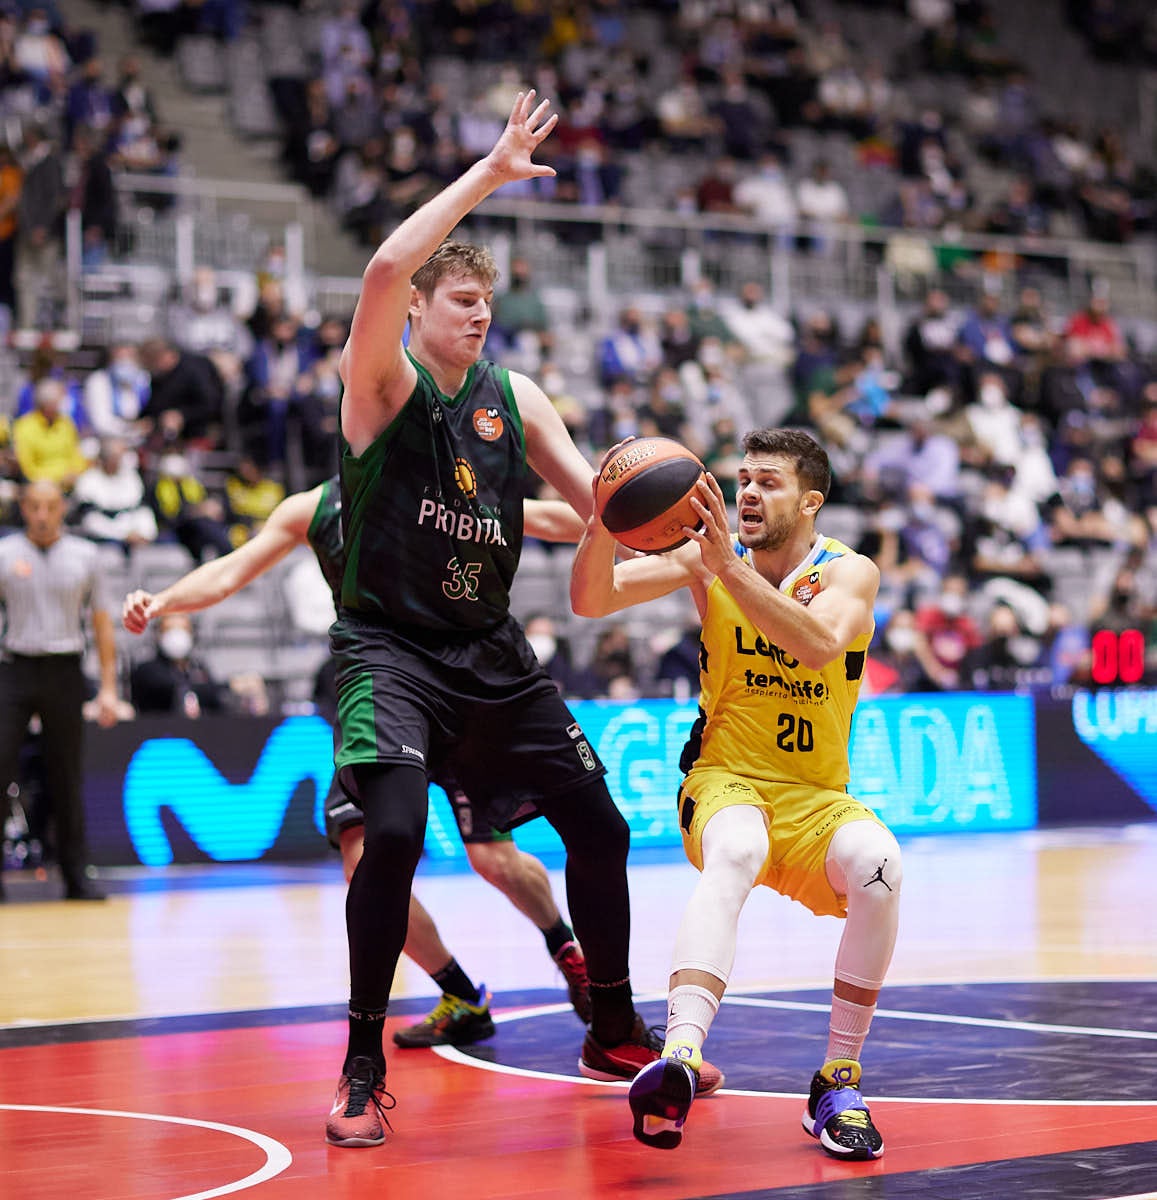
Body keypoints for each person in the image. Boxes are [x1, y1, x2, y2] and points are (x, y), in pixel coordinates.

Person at [318, 89, 722, 1149]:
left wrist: (650, 520)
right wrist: (491, 171)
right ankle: (362, 1062)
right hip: (389, 650)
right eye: (456, 302)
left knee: (597, 825)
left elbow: (595, 504)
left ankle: (615, 1025)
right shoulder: (378, 384)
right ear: (418, 312)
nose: (474, 317)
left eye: (483, 306)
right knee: (394, 837)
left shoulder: (515, 394)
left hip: (490, 655)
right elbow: (375, 271)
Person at [122, 481, 595, 1043]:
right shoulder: (313, 507)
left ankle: (567, 950)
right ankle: (462, 996)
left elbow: (545, 516)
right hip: (381, 686)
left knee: (494, 859)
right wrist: (163, 601)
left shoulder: (442, 481)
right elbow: (230, 571)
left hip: (460, 682)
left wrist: (637, 524)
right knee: (363, 859)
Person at [571, 428, 901, 1160]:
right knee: (738, 848)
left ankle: (837, 1081)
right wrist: (600, 522)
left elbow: (816, 643)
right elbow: (591, 599)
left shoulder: (851, 574)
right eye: (742, 478)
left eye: (768, 483)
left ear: (810, 501)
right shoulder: (705, 557)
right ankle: (679, 1059)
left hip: (816, 796)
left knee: (880, 870)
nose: (747, 492)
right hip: (724, 779)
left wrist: (725, 568)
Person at [0, 480, 121, 901]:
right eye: (34, 507)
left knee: (66, 775)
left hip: (65, 669)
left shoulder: (85, 556)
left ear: (62, 509)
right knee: (1, 768)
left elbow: (102, 624)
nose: (42, 515)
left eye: (49, 507)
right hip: (15, 668)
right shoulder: (5, 554)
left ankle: (75, 874)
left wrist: (108, 687)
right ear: (24, 509)